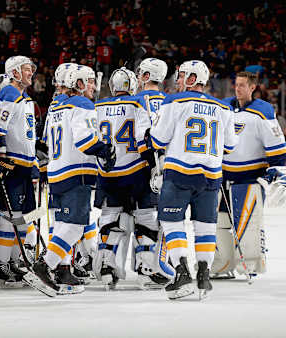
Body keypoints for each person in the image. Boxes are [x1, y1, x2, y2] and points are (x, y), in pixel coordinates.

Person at [150, 60, 238, 300]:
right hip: (210, 176)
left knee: (172, 222)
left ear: (191, 79)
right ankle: (204, 275)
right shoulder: (224, 108)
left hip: (179, 173)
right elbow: (230, 145)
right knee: (205, 226)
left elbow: (157, 139)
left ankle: (182, 273)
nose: (177, 81)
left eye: (181, 76)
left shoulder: (173, 101)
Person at [29, 65, 116, 295]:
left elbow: (46, 142)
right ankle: (45, 265)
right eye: (88, 81)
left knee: (62, 225)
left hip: (56, 172)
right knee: (75, 227)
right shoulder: (82, 104)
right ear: (77, 83)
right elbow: (85, 141)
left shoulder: (57, 106)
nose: (93, 86)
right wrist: (105, 150)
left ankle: (63, 269)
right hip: (75, 172)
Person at [94, 67, 172, 290]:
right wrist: (153, 166)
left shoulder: (98, 107)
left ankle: (107, 268)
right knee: (146, 220)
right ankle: (146, 270)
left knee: (110, 219)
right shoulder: (137, 103)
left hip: (107, 174)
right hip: (135, 172)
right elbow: (142, 139)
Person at [212, 71, 286, 279]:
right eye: (236, 84)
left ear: (253, 88)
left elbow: (277, 147)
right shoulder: (225, 107)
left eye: (242, 85)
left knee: (248, 224)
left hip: (251, 178)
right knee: (219, 223)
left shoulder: (263, 111)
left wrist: (278, 171)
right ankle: (222, 264)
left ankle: (250, 265)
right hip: (223, 177)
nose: (237, 88)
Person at [0, 56, 38, 288]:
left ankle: (14, 261)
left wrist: (35, 160)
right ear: (15, 72)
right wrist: (2, 160)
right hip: (13, 166)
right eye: (27, 70)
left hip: (25, 166)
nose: (31, 73)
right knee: (9, 216)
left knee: (25, 216)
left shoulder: (24, 98)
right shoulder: (9, 93)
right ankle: (0, 263)